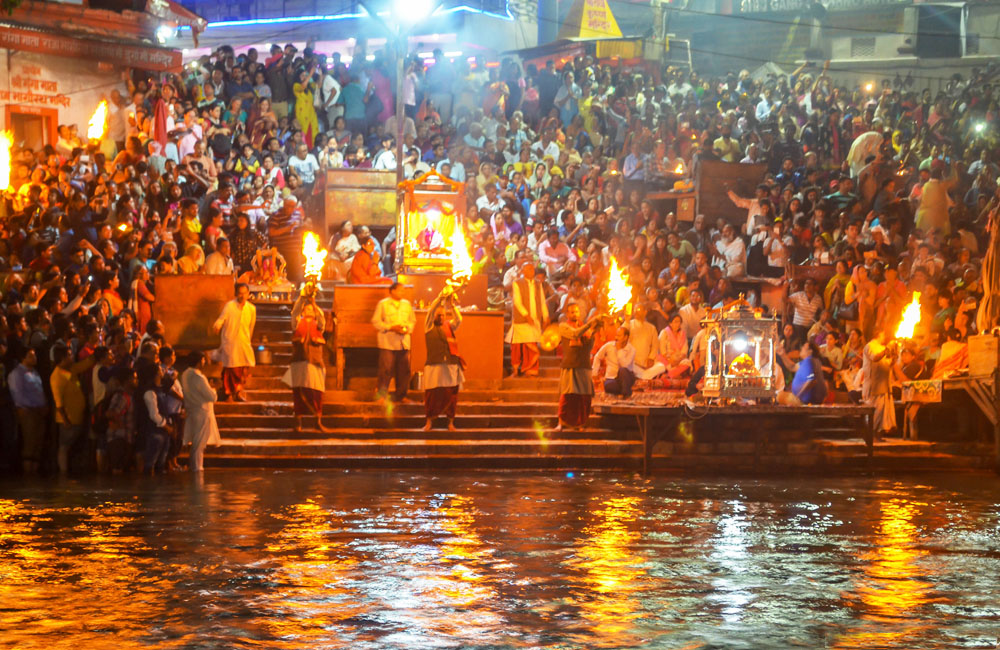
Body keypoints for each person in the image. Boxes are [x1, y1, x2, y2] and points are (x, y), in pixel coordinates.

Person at [282, 283, 331, 432]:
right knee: (299, 392)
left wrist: (314, 303)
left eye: (311, 309)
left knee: (317, 393)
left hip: (315, 362)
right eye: (306, 309)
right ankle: (298, 423)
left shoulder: (319, 324)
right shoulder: (297, 323)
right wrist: (303, 298)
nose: (309, 311)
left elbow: (322, 318)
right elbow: (295, 312)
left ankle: (318, 421)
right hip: (300, 361)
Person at [553, 303, 602, 432]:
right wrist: (589, 324)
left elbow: (589, 345)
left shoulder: (584, 327)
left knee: (584, 398)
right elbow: (575, 335)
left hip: (584, 365)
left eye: (577, 311)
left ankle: (580, 424)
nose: (575, 314)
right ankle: (561, 423)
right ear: (567, 314)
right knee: (567, 395)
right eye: (572, 312)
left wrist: (595, 328)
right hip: (570, 365)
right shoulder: (564, 326)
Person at [422, 287, 465, 431]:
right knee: (432, 395)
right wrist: (440, 298)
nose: (441, 317)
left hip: (451, 364)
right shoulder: (428, 327)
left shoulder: (449, 326)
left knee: (451, 395)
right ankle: (429, 422)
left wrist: (451, 305)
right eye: (438, 315)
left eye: (443, 314)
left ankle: (450, 422)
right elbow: (430, 311)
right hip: (434, 365)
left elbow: (459, 319)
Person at [50, 344, 97, 474]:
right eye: (69, 355)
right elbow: (58, 401)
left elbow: (85, 365)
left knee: (70, 447)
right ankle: (63, 474)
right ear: (63, 358)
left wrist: (95, 355)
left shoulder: (71, 369)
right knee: (64, 447)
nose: (72, 357)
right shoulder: (56, 376)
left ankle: (68, 472)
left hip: (77, 417)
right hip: (68, 419)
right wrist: (65, 419)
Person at [211, 283, 257, 402]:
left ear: (248, 294)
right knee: (230, 369)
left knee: (242, 370)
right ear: (236, 294)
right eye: (240, 293)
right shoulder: (229, 306)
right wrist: (217, 326)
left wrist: (248, 340)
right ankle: (229, 394)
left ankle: (238, 392)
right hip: (230, 342)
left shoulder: (251, 309)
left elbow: (251, 327)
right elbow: (221, 319)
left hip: (244, 342)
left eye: (244, 293)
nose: (242, 296)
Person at [371, 281, 415, 403]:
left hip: (403, 342)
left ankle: (401, 396)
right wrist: (391, 327)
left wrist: (406, 329)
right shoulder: (383, 304)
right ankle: (381, 396)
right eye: (400, 290)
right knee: (385, 370)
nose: (402, 292)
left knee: (404, 370)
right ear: (392, 291)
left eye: (403, 290)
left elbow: (412, 321)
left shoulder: (406, 305)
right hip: (388, 343)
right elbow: (376, 322)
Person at [8, 347, 48, 474]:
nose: (34, 358)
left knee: (38, 443)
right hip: (27, 412)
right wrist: (32, 406)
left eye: (34, 355)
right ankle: (28, 475)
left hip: (39, 412)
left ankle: (34, 473)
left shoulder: (35, 372)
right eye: (30, 356)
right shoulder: (16, 374)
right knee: (29, 442)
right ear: (23, 358)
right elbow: (18, 395)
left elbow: (39, 391)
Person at [181, 351, 220, 472]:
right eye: (203, 360)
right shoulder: (199, 377)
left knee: (196, 442)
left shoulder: (185, 374)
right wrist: (215, 388)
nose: (205, 362)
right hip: (202, 411)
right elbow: (211, 397)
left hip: (192, 410)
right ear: (199, 362)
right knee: (199, 443)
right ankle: (197, 468)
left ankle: (194, 467)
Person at [508, 260, 548, 377]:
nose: (532, 271)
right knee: (516, 346)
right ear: (523, 271)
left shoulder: (538, 284)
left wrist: (546, 316)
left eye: (532, 268)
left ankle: (530, 370)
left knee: (530, 346)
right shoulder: (517, 283)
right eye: (529, 269)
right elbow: (517, 301)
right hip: (521, 320)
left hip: (534, 319)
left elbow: (542, 301)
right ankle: (515, 370)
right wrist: (526, 315)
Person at [862, 328, 898, 437]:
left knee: (882, 414)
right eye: (883, 334)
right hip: (874, 385)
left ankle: (877, 435)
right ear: (878, 334)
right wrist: (886, 349)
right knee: (875, 412)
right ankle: (870, 435)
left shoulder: (882, 348)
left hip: (884, 385)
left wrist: (895, 354)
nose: (884, 336)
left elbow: (889, 363)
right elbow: (875, 358)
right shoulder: (870, 346)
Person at [592, 326, 636, 398]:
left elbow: (624, 365)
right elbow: (597, 357)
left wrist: (619, 350)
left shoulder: (631, 349)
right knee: (608, 387)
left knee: (622, 370)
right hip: (612, 378)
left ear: (626, 337)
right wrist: (595, 372)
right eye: (616, 335)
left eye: (619, 336)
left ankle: (625, 394)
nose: (616, 338)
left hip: (627, 377)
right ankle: (625, 391)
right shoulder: (609, 345)